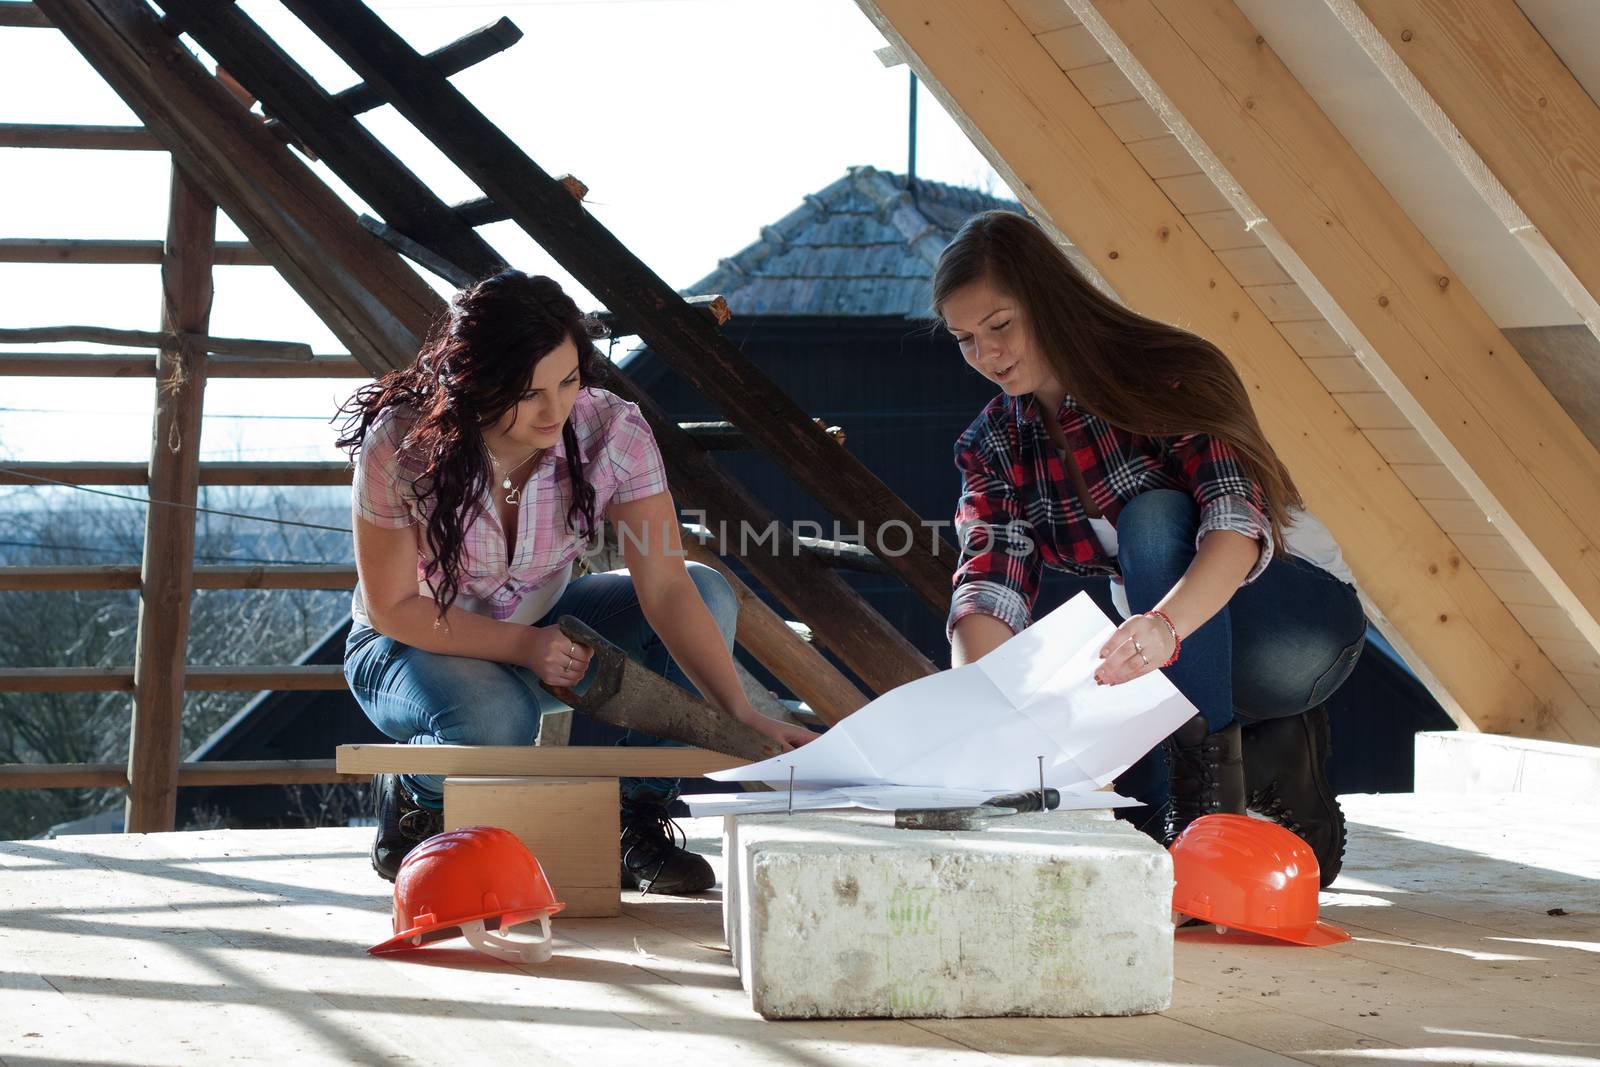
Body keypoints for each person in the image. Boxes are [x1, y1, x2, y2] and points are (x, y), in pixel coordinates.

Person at [337, 270, 813, 892]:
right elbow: (396, 607)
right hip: (409, 646)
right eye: (527, 392)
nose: (554, 409)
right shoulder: (400, 443)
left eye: (567, 381)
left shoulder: (612, 430)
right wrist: (526, 648)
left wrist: (738, 712)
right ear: (473, 382)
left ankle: (635, 821)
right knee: (496, 720)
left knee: (709, 590)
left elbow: (667, 587)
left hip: (545, 627)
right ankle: (417, 797)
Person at [934, 212, 1364, 885]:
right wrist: (980, 706)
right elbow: (990, 578)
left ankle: (1212, 821)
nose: (987, 355)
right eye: (965, 340)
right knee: (1134, 840)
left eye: (1000, 326)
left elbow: (1234, 522)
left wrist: (1165, 625)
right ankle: (1265, 756)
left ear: (1048, 300)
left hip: (1294, 626)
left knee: (1155, 515)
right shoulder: (991, 442)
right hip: (1168, 651)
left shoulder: (1169, 371)